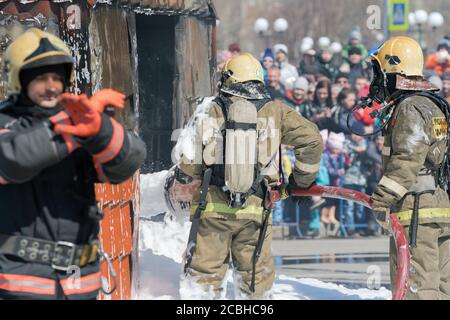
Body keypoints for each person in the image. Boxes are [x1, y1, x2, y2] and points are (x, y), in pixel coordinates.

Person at [0, 28, 146, 300]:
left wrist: (100, 129)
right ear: (19, 80)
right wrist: (72, 125)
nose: (51, 86)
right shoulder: (7, 123)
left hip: (80, 284)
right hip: (19, 285)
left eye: (57, 77)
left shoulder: (78, 124)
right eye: (41, 78)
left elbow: (127, 162)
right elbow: (15, 160)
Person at [176, 53, 323, 299]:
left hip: (212, 209)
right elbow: (312, 141)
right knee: (255, 279)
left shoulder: (208, 109)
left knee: (205, 277)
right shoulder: (276, 111)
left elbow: (188, 164)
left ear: (227, 79)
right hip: (257, 210)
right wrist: (301, 182)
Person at [369, 36, 450, 299]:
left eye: (380, 72)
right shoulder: (433, 105)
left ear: (394, 70)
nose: (377, 80)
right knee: (442, 286)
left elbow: (406, 159)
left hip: (416, 211)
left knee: (418, 288)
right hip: (439, 208)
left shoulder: (409, 107)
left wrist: (381, 201)